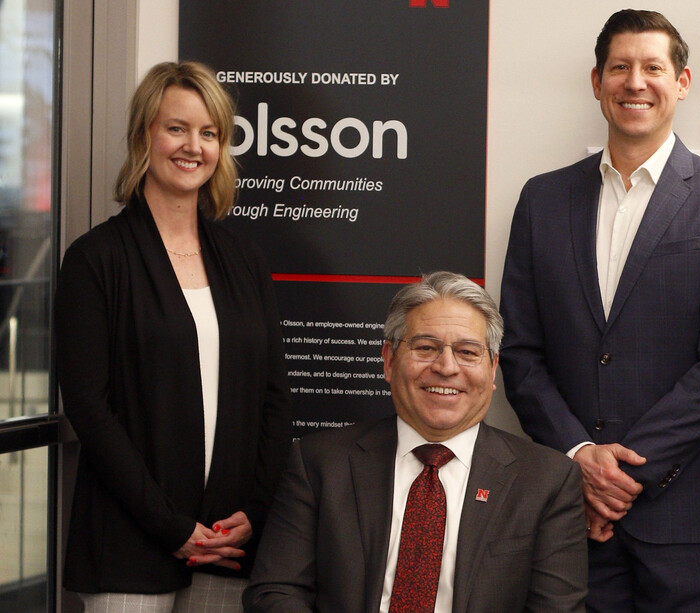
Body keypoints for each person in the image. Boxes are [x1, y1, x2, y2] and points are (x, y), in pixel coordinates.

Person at [499, 9, 700, 612]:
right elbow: (518, 352)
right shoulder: (542, 199)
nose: (635, 82)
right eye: (619, 67)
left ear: (682, 82)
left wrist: (620, 475)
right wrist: (580, 458)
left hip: (690, 515)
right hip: (571, 506)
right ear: (596, 82)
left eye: (653, 67)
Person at [56, 61, 293, 611]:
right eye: (177, 128)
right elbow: (90, 408)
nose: (194, 146)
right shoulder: (96, 259)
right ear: (145, 134)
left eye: (209, 133)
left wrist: (253, 513)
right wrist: (170, 525)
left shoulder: (243, 259)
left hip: (228, 541)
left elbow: (275, 399)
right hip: (129, 542)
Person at [243, 271, 587, 613]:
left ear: (492, 368)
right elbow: (275, 593)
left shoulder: (548, 481)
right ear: (390, 361)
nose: (447, 367)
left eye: (468, 352)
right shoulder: (318, 463)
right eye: (426, 348)